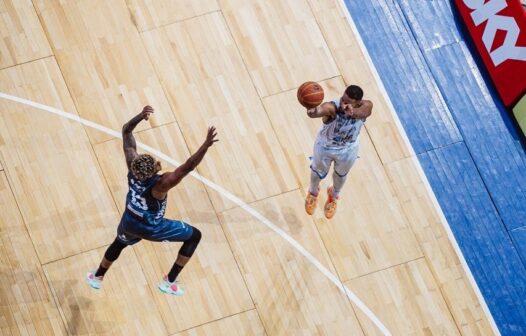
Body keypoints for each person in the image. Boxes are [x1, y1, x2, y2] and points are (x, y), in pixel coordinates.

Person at [86, 105, 218, 295]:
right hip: (151, 228)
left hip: (129, 220)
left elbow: (126, 131)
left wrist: (140, 116)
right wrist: (205, 146)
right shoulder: (161, 184)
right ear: (153, 169)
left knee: (119, 243)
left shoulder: (132, 166)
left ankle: (97, 277)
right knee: (195, 236)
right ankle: (169, 281)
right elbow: (188, 166)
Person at [304, 85, 372, 219]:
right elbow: (316, 112)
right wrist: (309, 108)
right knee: (317, 172)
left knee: (341, 176)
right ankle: (312, 193)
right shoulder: (332, 107)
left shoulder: (366, 105)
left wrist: (352, 112)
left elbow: (365, 112)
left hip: (348, 148)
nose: (343, 103)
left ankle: (333, 195)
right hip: (325, 147)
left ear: (358, 103)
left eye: (348, 102)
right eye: (343, 99)